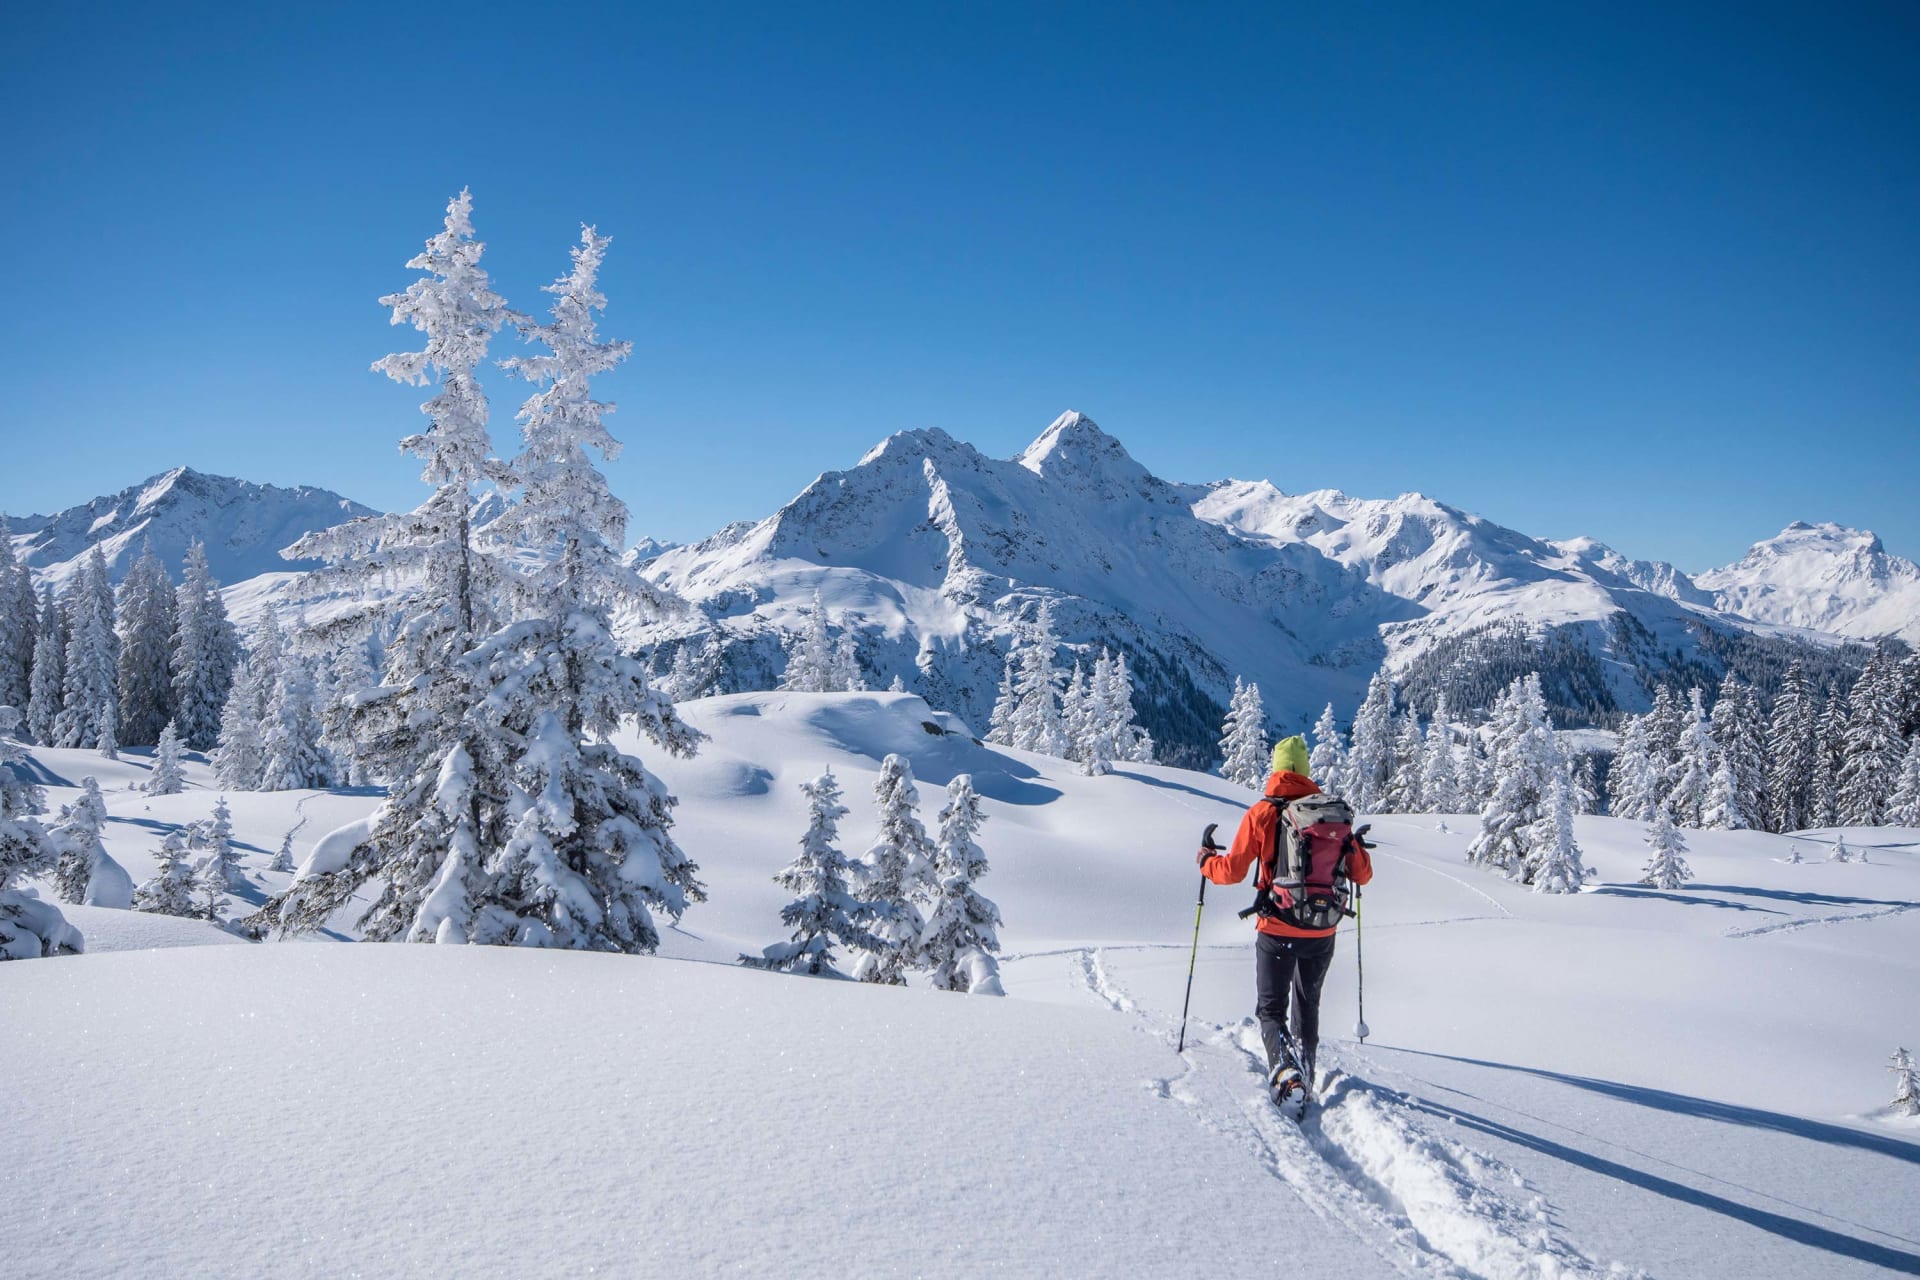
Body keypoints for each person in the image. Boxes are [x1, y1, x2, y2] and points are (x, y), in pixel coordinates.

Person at [1197, 734, 1372, 1110]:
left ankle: (1285, 1071)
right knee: (1308, 1005)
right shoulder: (1332, 816)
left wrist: (1205, 861)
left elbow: (1230, 872)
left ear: (1276, 769)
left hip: (1276, 928)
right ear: (1305, 771)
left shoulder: (1262, 813)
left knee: (1271, 1009)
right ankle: (1306, 1068)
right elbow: (1363, 875)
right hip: (1323, 928)